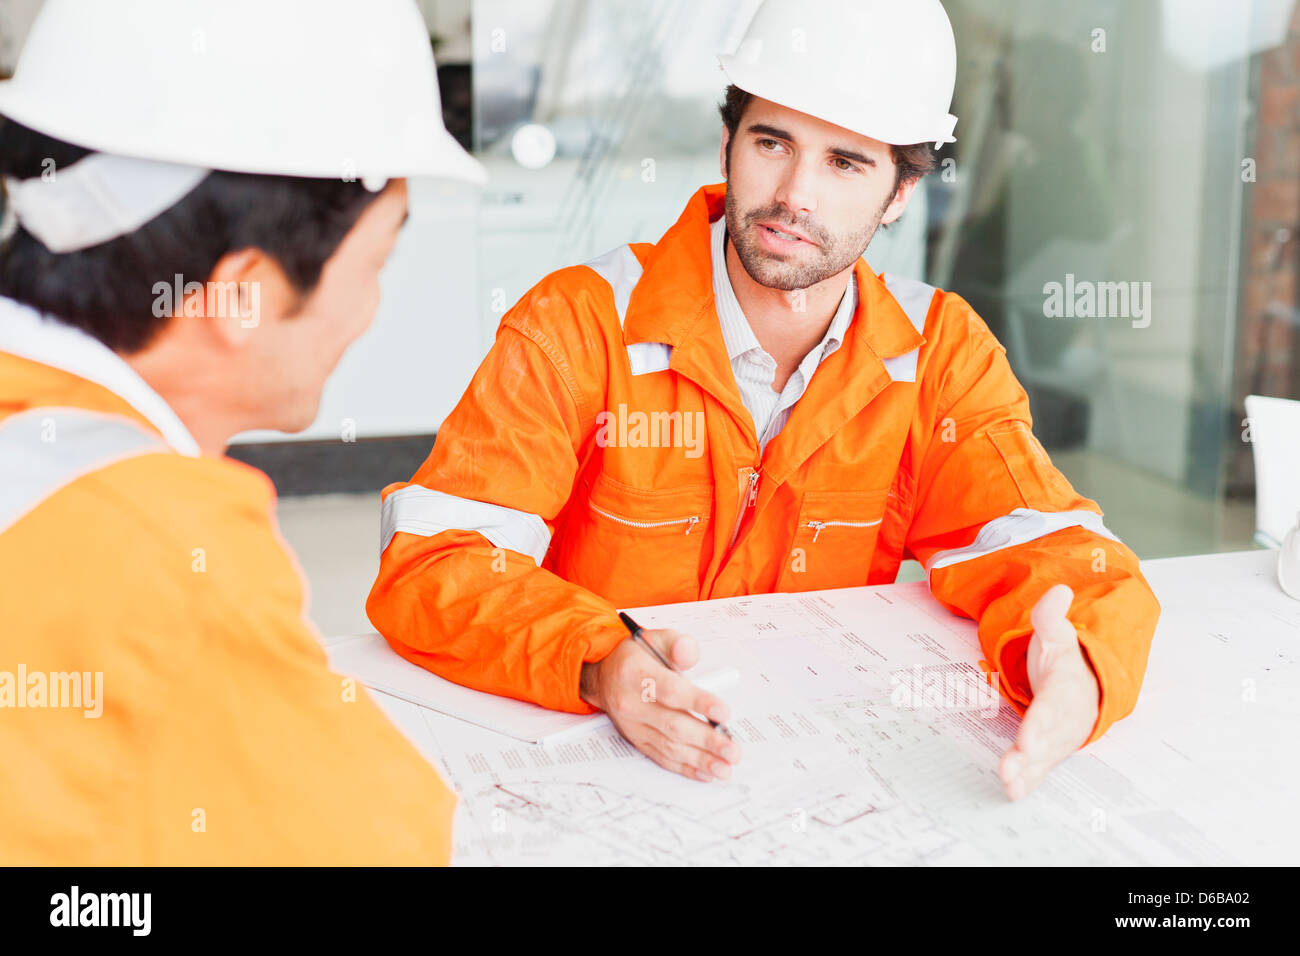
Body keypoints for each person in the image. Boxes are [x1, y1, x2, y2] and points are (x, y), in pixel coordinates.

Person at [367, 0, 1160, 800]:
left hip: (820, 785)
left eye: (845, 163)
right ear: (727, 144)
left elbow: (1054, 549)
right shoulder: (579, 324)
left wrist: (1080, 662)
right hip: (609, 771)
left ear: (900, 193)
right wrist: (601, 661)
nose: (794, 195)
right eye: (771, 142)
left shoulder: (939, 356)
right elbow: (439, 561)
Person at [0, 0, 484, 864]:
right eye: (376, 265)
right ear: (245, 292)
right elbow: (392, 847)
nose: (372, 309)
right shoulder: (160, 547)